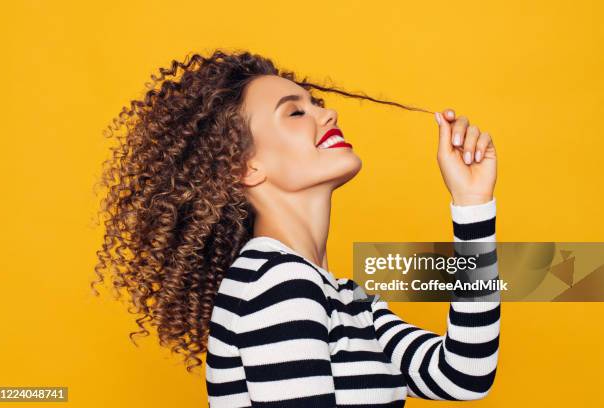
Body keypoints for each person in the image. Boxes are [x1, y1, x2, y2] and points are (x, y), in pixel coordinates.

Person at [92, 49, 499, 407]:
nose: (328, 113)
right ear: (245, 166)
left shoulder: (344, 299)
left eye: (314, 104)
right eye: (295, 111)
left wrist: (473, 204)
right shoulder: (278, 284)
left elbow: (464, 374)